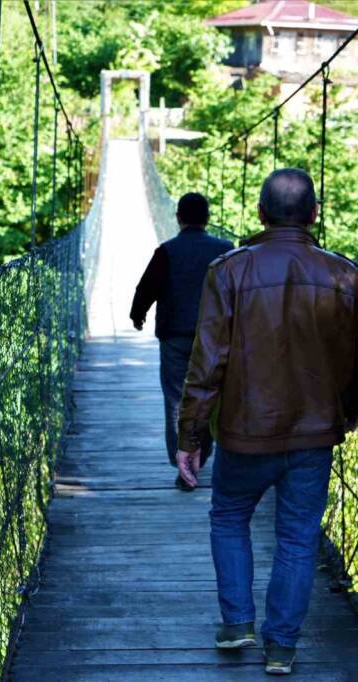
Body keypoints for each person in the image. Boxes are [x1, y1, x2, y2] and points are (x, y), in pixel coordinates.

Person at [174, 169, 358, 675]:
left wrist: (190, 436)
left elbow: (207, 363)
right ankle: (281, 648)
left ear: (261, 215)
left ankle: (238, 622)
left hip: (244, 434)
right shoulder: (347, 275)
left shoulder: (229, 270)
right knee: (298, 537)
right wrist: (345, 415)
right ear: (314, 214)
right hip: (313, 434)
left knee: (228, 517)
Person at [130, 192, 234, 491]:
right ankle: (203, 456)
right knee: (210, 396)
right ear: (208, 218)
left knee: (177, 399)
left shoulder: (167, 250)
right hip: (215, 338)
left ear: (178, 217)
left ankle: (183, 464)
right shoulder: (226, 251)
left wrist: (138, 315)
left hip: (175, 336)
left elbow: (146, 287)